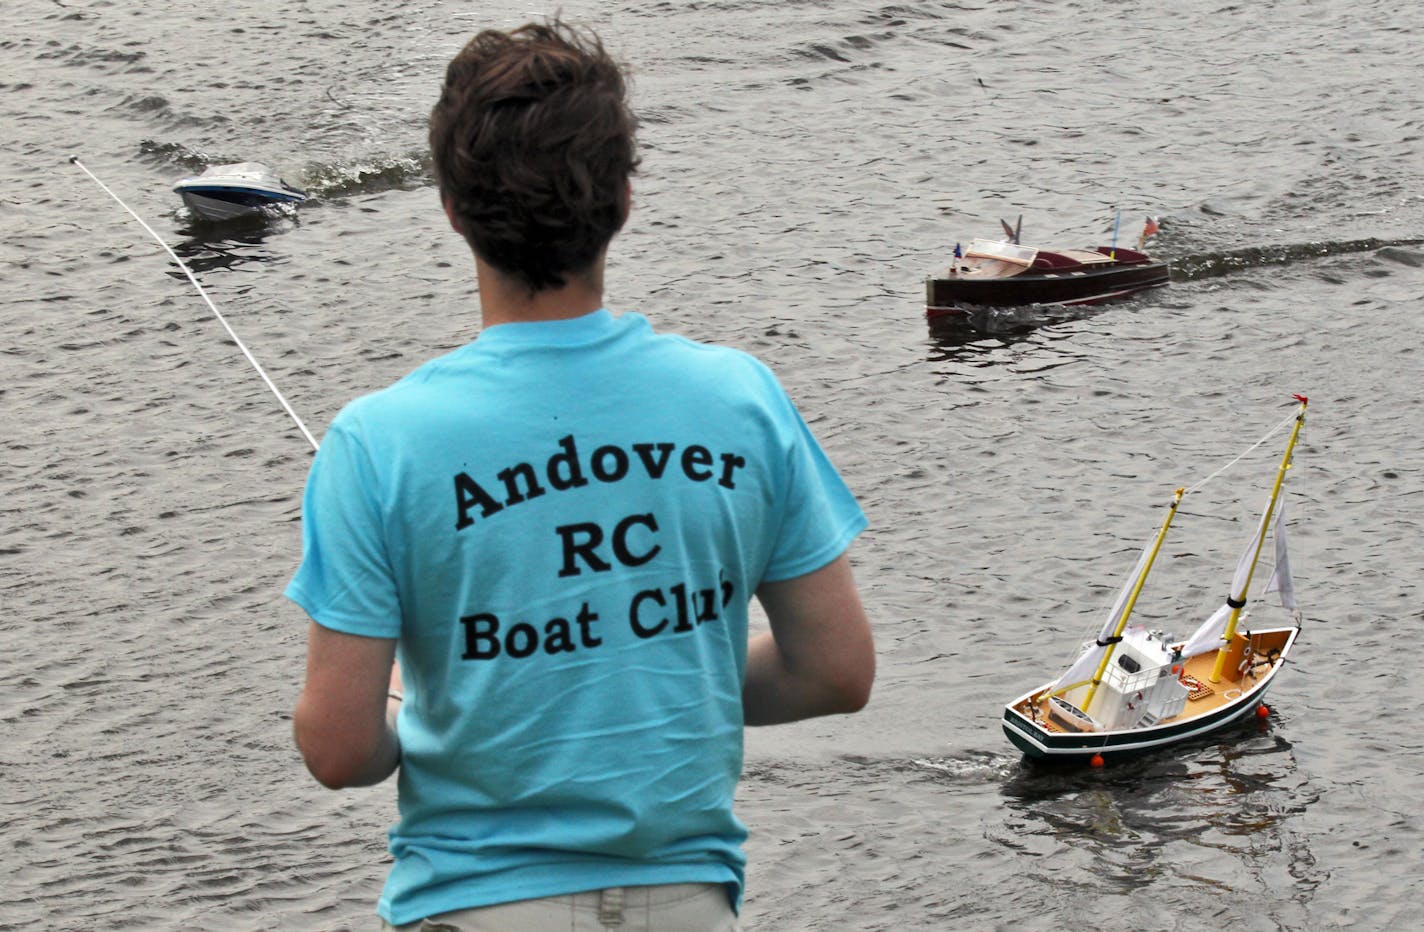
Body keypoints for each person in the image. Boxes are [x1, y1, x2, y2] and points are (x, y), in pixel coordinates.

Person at [290, 19, 874, 932]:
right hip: (689, 906)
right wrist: (673, 670)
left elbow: (336, 747)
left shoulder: (375, 443)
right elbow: (835, 672)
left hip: (474, 906)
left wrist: (420, 719)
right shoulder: (739, 401)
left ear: (450, 206)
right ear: (625, 199)